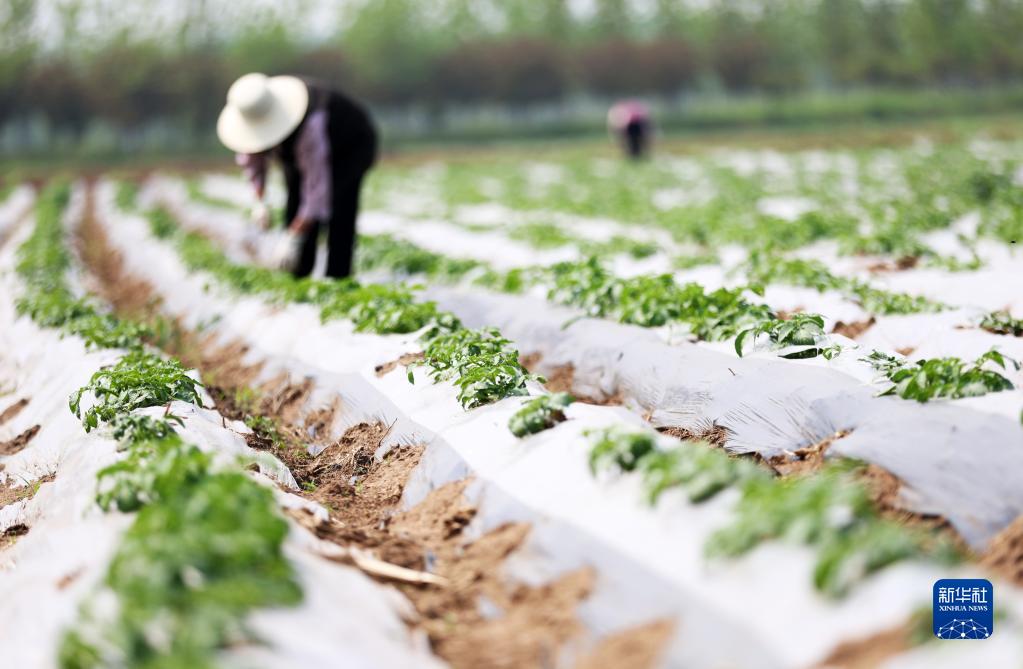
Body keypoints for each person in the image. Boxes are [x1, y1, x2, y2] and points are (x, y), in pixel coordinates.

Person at [216, 73, 378, 278]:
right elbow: (254, 165)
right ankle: (298, 274)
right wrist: (260, 203)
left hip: (350, 147)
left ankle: (338, 278)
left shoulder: (309, 123)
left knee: (339, 211)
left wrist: (294, 236)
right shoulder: (252, 122)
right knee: (294, 203)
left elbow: (317, 191)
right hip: (306, 151)